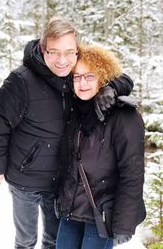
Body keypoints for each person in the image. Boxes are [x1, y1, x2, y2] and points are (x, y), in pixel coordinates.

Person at [0, 16, 134, 249]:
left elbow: (121, 76)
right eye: (54, 52)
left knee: (53, 240)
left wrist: (111, 88)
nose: (62, 60)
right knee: (26, 240)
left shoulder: (77, 72)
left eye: (69, 52)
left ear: (76, 52)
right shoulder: (20, 81)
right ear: (43, 49)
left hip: (61, 180)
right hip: (26, 179)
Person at [56, 45, 146, 249]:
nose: (82, 83)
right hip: (71, 211)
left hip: (103, 214)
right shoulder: (73, 109)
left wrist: (124, 224)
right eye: (77, 77)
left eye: (90, 76)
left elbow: (132, 173)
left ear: (103, 78)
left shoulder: (124, 116)